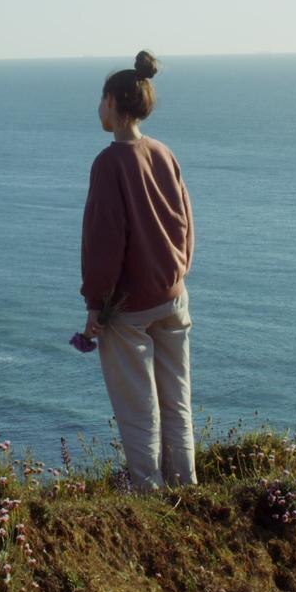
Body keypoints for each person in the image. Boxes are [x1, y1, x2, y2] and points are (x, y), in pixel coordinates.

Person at [80, 50, 196, 490]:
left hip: (129, 308)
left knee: (138, 409)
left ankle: (148, 495)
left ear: (113, 102)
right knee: (177, 400)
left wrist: (96, 303)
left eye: (101, 99)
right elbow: (185, 220)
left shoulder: (109, 163)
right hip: (173, 295)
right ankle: (186, 489)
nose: (98, 108)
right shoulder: (164, 153)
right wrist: (178, 269)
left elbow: (105, 241)